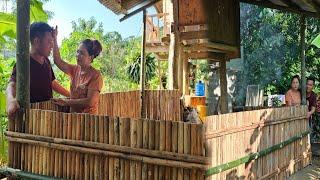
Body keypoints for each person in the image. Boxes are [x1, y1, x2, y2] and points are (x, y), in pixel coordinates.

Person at [6, 22, 70, 120]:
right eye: (49, 41)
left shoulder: (47, 62)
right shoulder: (24, 63)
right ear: (36, 41)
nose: (52, 45)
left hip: (47, 115)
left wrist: (70, 96)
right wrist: (10, 100)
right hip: (30, 117)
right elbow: (12, 85)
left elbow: (52, 83)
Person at [52, 26, 103, 114]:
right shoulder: (74, 70)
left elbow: (90, 101)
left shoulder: (96, 76)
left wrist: (67, 102)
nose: (77, 55)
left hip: (88, 121)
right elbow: (58, 61)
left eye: (82, 53)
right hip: (74, 119)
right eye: (77, 51)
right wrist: (55, 39)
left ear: (90, 58)